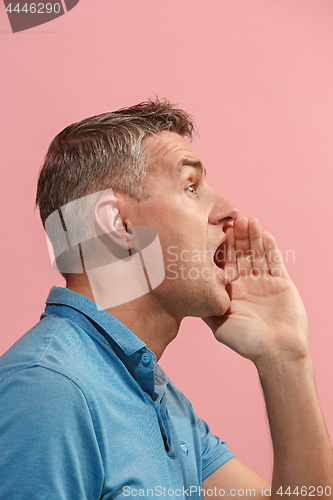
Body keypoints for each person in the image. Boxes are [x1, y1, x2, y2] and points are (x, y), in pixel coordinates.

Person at [0, 99, 332, 500]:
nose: (228, 210)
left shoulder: (160, 400)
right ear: (118, 225)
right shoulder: (48, 391)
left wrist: (285, 358)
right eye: (191, 186)